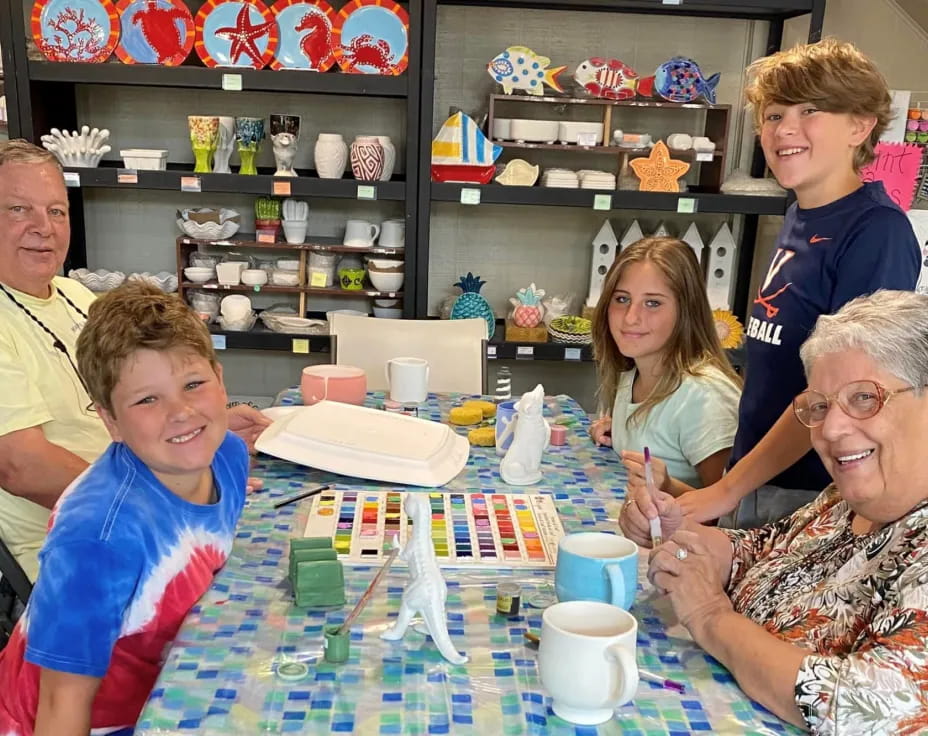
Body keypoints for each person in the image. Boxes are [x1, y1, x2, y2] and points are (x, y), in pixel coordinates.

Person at [622, 39, 920, 527]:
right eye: (774, 115)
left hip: (809, 495)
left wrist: (726, 491)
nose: (785, 130)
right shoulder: (800, 214)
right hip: (761, 481)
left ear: (860, 125)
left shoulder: (875, 233)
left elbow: (842, 397)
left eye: (810, 111)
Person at [620, 290, 928, 733]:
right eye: (821, 406)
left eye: (864, 398)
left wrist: (710, 617)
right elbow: (767, 548)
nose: (832, 428)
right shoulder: (847, 499)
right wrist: (677, 530)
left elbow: (865, 706)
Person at [0, 139, 269, 581]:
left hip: (147, 514)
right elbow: (20, 465)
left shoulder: (75, 296)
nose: (43, 227)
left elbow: (148, 398)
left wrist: (204, 424)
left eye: (56, 211)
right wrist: (164, 495)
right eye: (18, 210)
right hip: (82, 556)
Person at [0, 281, 250, 736]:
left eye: (193, 384)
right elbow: (60, 706)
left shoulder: (229, 456)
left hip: (164, 686)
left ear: (220, 378)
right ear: (110, 420)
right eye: (147, 399)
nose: (180, 412)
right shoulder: (97, 540)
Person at [589, 237, 741, 490]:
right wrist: (622, 433)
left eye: (653, 303)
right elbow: (660, 436)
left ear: (687, 311)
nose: (631, 317)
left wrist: (668, 486)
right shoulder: (632, 373)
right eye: (622, 299)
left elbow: (730, 516)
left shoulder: (706, 396)